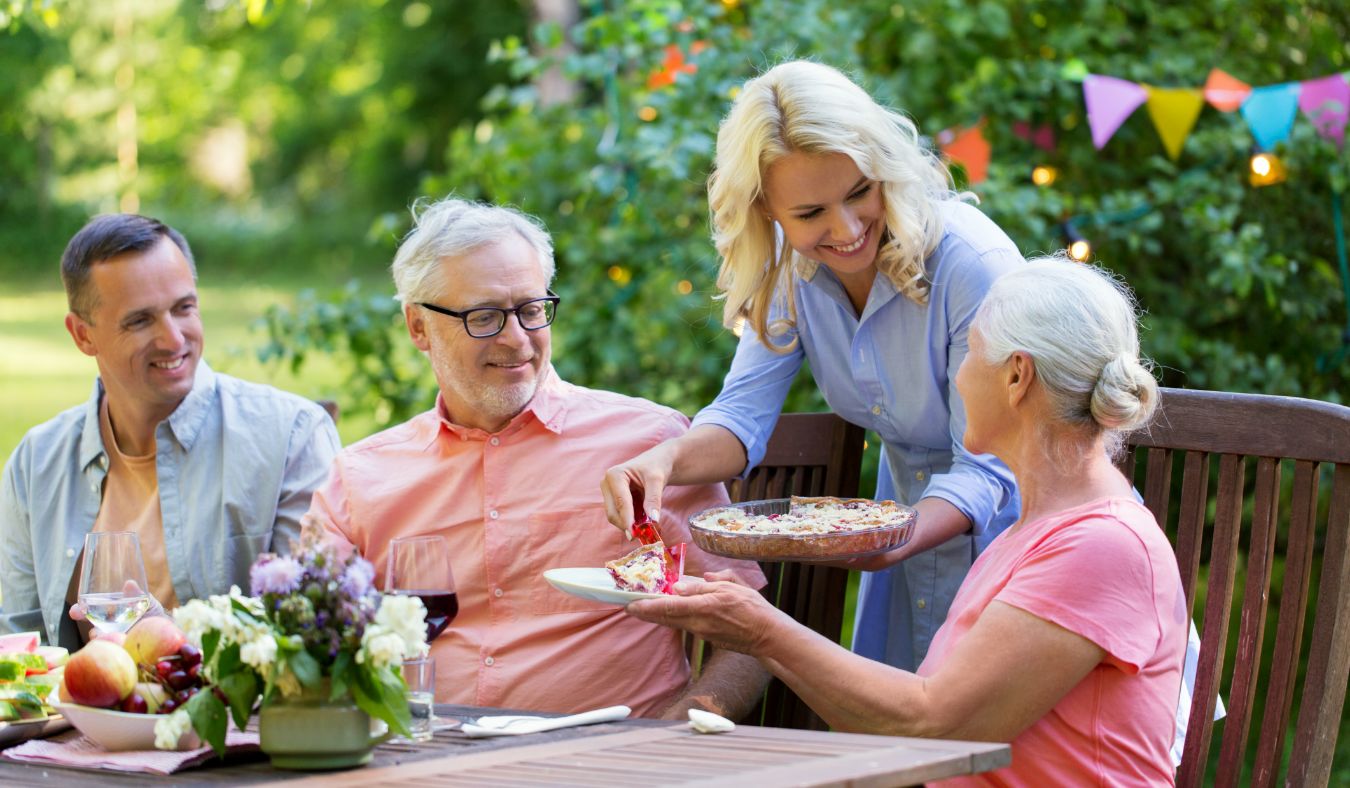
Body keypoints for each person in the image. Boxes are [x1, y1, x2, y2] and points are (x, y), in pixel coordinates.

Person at [627, 257, 1188, 786]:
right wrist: (757, 633)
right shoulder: (1037, 530)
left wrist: (763, 630)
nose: (959, 377)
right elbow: (905, 721)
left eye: (968, 352)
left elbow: (936, 725)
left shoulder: (1101, 546)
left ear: (1017, 377)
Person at [602, 59, 1022, 672]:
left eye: (859, 193)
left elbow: (991, 466)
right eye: (810, 214)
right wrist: (661, 461)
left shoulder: (969, 264)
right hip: (906, 536)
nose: (847, 230)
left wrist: (886, 538)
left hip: (1020, 542)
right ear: (767, 210)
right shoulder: (783, 268)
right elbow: (740, 421)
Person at [304, 197, 769, 720]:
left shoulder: (650, 448)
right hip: (423, 759)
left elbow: (750, 634)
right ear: (418, 327)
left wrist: (678, 729)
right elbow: (313, 647)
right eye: (484, 317)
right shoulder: (362, 478)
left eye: (530, 310)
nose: (516, 339)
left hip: (608, 765)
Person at [0, 214, 341, 649]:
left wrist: (176, 642)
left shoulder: (292, 437)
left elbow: (313, 634)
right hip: (79, 718)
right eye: (140, 321)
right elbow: (22, 648)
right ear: (83, 335)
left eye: (184, 308)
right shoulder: (35, 465)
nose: (173, 338)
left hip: (242, 719)